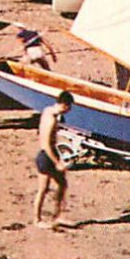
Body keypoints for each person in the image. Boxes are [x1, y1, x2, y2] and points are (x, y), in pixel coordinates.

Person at [32, 91, 74, 229]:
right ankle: (37, 220)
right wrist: (58, 163)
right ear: (64, 105)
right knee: (43, 189)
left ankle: (58, 215)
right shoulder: (51, 120)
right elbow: (46, 145)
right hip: (46, 156)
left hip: (49, 154)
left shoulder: (48, 111)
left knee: (62, 184)